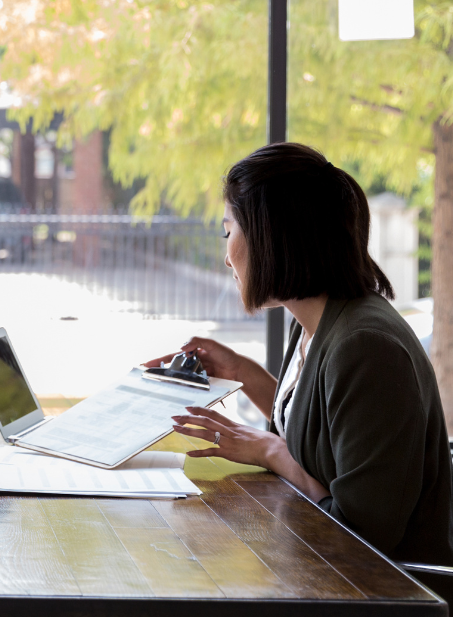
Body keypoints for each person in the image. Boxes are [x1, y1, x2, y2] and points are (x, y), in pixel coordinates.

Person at [147, 142, 453, 564]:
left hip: (377, 594)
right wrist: (244, 373)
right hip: (318, 570)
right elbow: (319, 437)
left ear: (272, 236)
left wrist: (271, 452)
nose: (225, 256)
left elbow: (362, 538)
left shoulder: (366, 347)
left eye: (228, 231)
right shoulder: (316, 321)